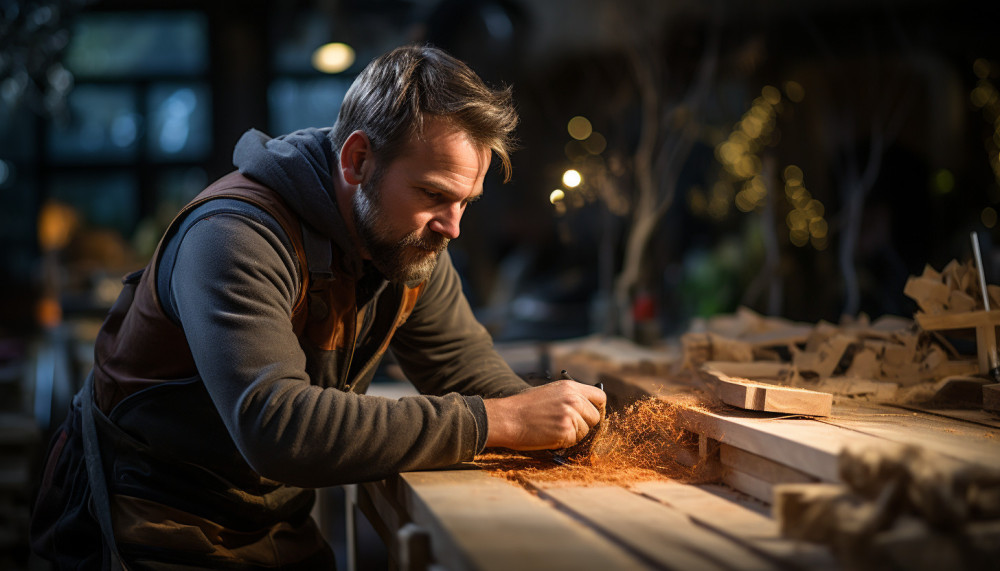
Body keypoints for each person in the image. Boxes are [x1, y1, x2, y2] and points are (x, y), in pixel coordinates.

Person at [30, 44, 605, 569]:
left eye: (466, 201)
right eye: (433, 194)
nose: (453, 227)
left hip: (272, 517)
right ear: (357, 161)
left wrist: (548, 418)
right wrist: (499, 422)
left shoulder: (408, 243)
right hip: (154, 519)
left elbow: (463, 370)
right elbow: (277, 425)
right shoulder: (236, 236)